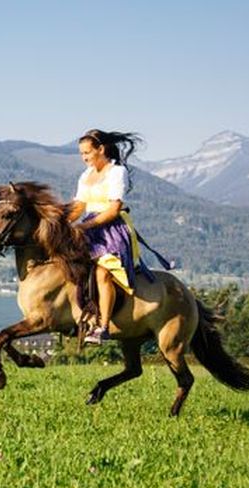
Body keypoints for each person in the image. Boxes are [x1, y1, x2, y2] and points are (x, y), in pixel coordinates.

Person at [66, 129, 153, 345]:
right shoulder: (86, 176)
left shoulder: (116, 172)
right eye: (81, 154)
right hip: (88, 228)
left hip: (111, 229)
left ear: (101, 149)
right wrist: (63, 222)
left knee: (103, 272)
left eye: (87, 152)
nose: (84, 157)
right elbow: (78, 207)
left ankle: (103, 327)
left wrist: (85, 225)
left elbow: (114, 209)